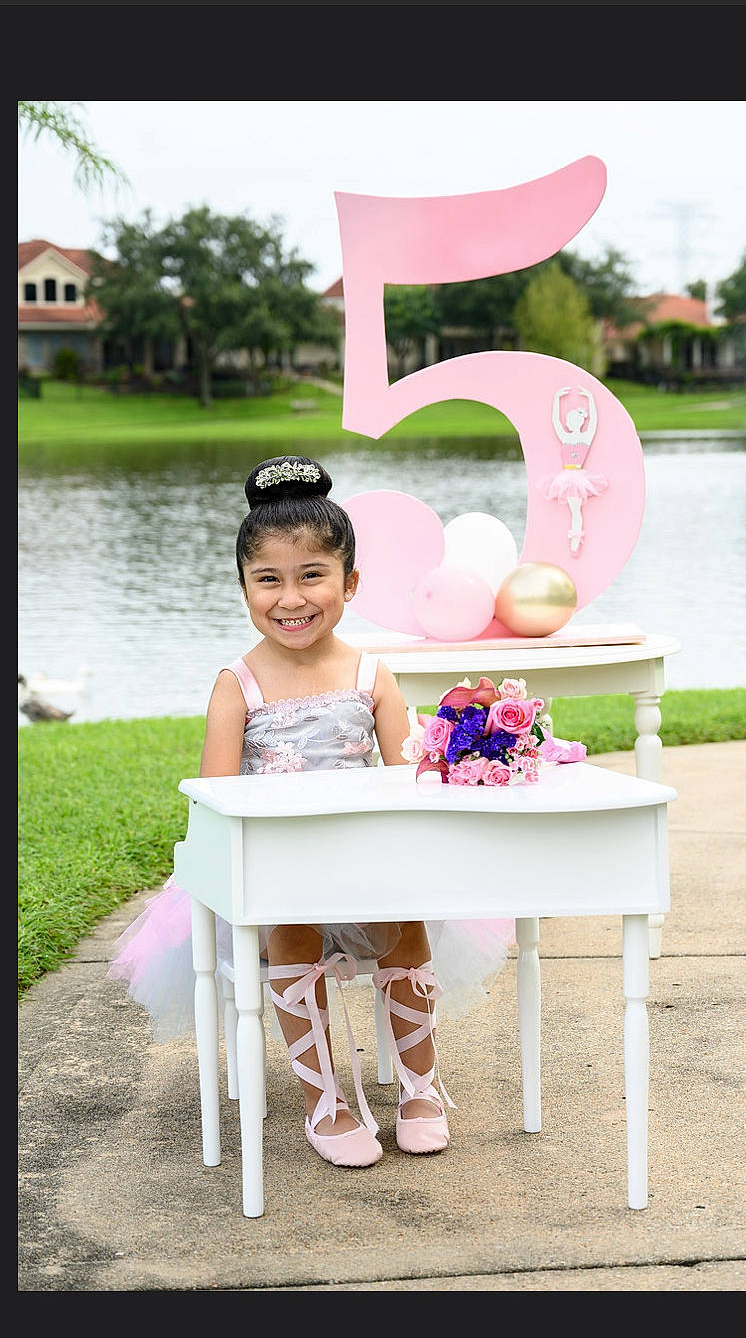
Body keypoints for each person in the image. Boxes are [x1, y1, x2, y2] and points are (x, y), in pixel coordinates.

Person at [109, 455, 512, 1169]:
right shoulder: (238, 684)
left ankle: (420, 1088)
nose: (290, 598)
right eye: (268, 579)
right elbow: (218, 796)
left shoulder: (370, 675)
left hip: (366, 858)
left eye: (312, 575)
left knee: (403, 918)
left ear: (350, 583)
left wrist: (457, 746)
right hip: (278, 867)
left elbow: (403, 780)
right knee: (290, 921)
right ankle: (321, 1100)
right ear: (243, 587)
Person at [536, 384, 609, 554]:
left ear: (578, 422)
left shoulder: (584, 437)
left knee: (576, 510)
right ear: (569, 423)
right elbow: (555, 421)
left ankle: (575, 539)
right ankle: (574, 539)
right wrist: (556, 400)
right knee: (574, 510)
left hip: (576, 476)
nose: (571, 423)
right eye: (570, 421)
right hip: (568, 476)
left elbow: (594, 422)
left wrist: (591, 400)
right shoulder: (568, 437)